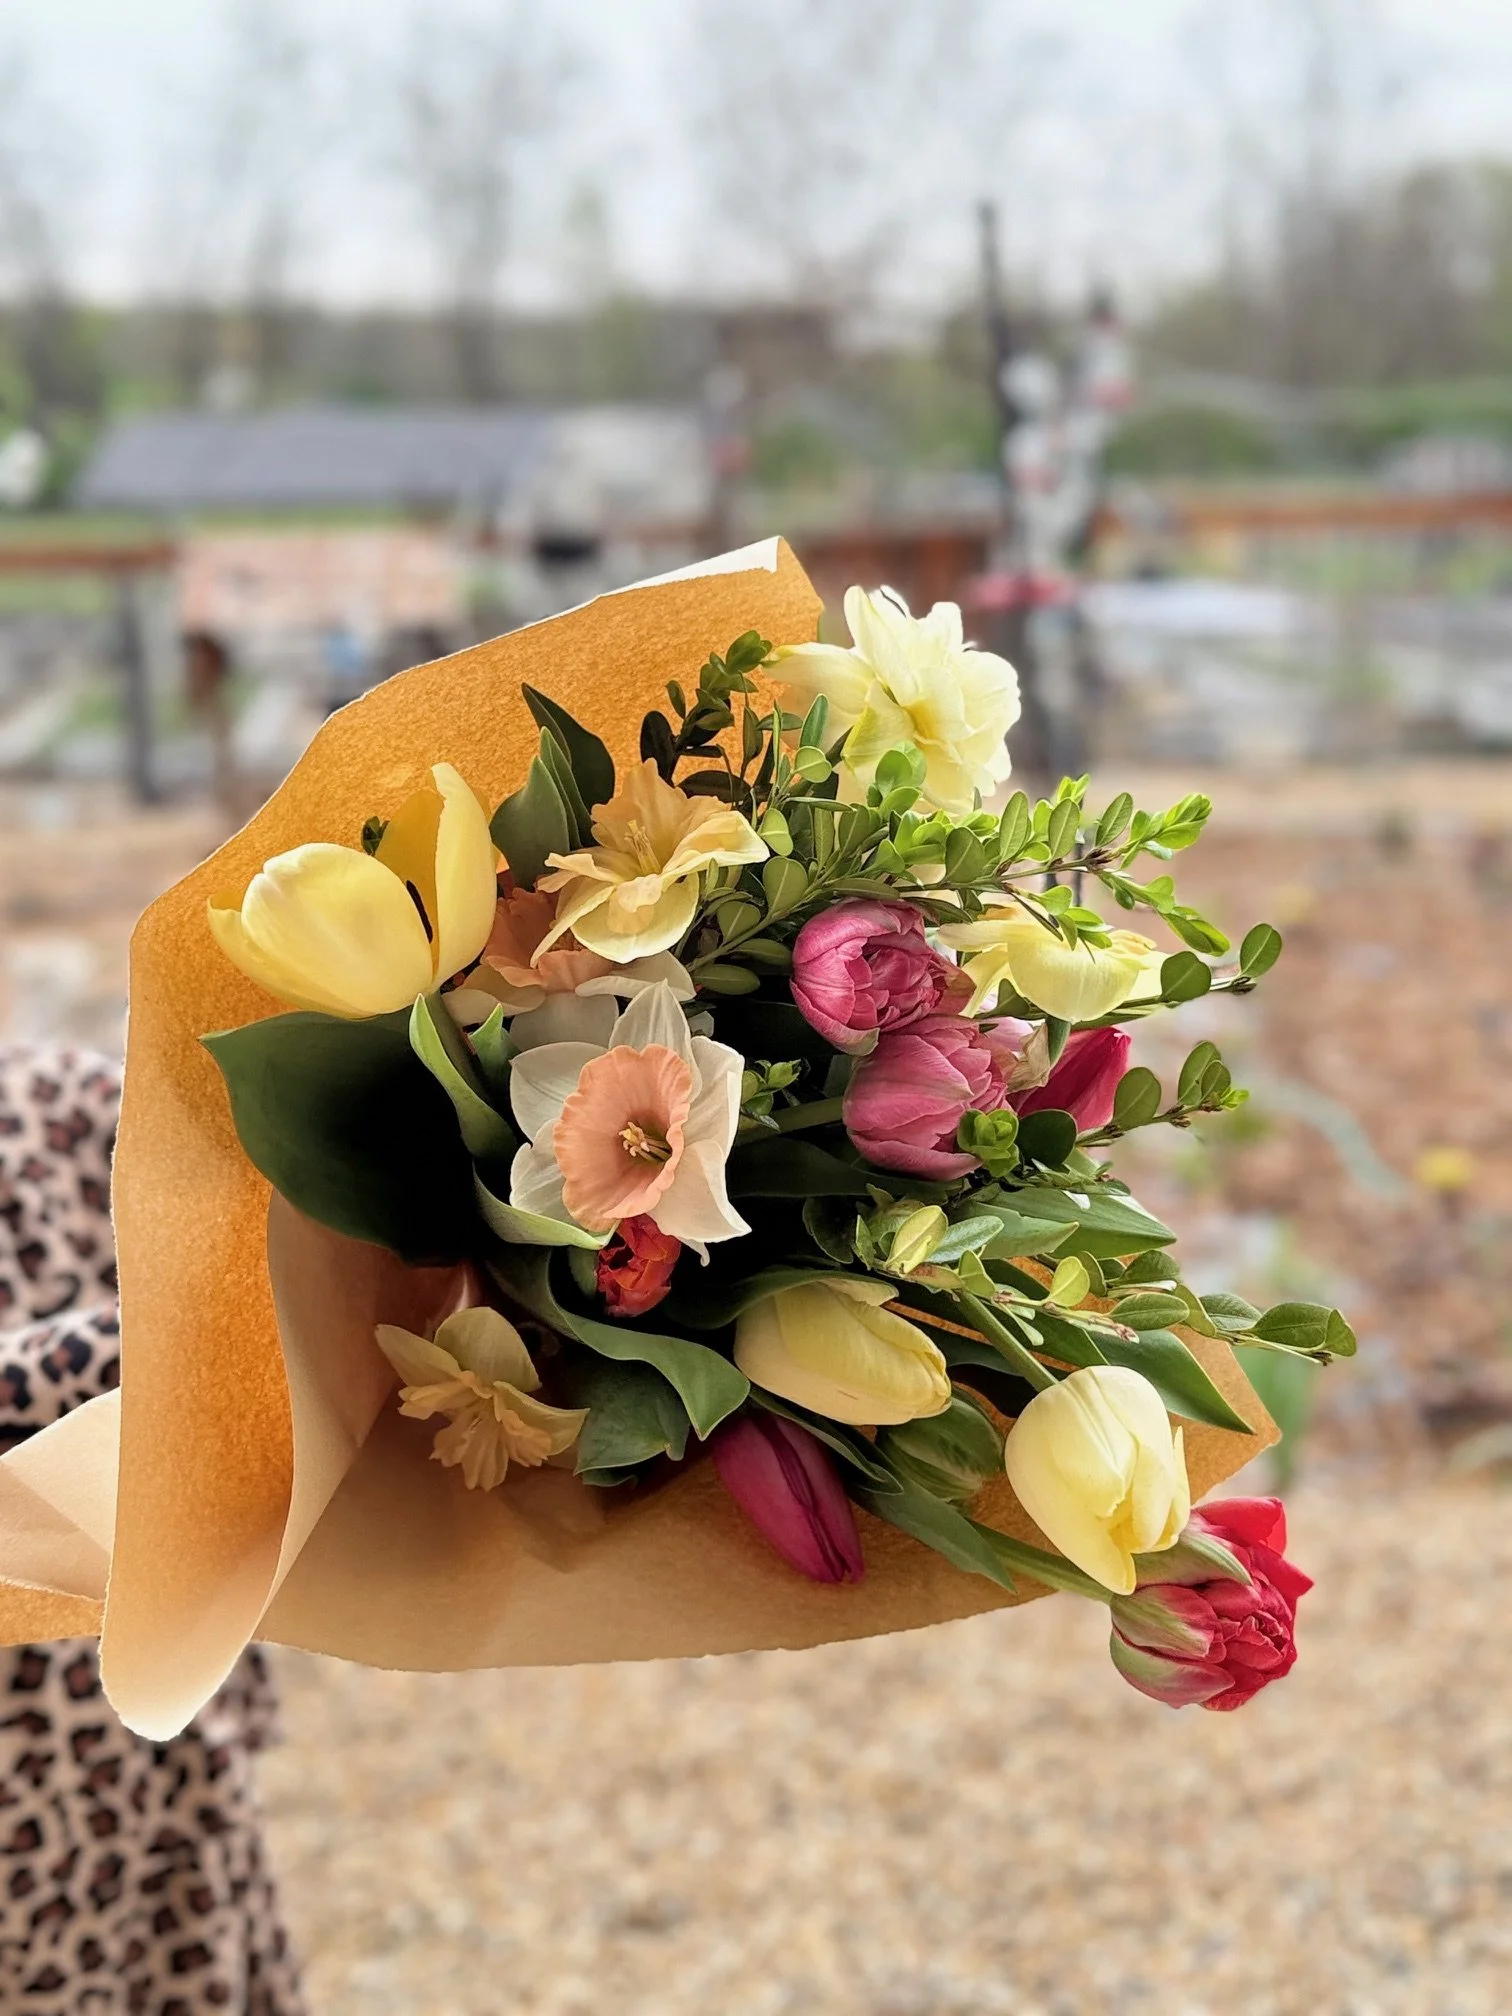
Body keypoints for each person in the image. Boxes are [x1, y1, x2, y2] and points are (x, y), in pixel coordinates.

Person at [0, 1045, 303, 2014]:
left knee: (190, 1953)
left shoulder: (46, 1110)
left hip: (152, 1725)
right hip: (27, 1788)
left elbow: (229, 1149)